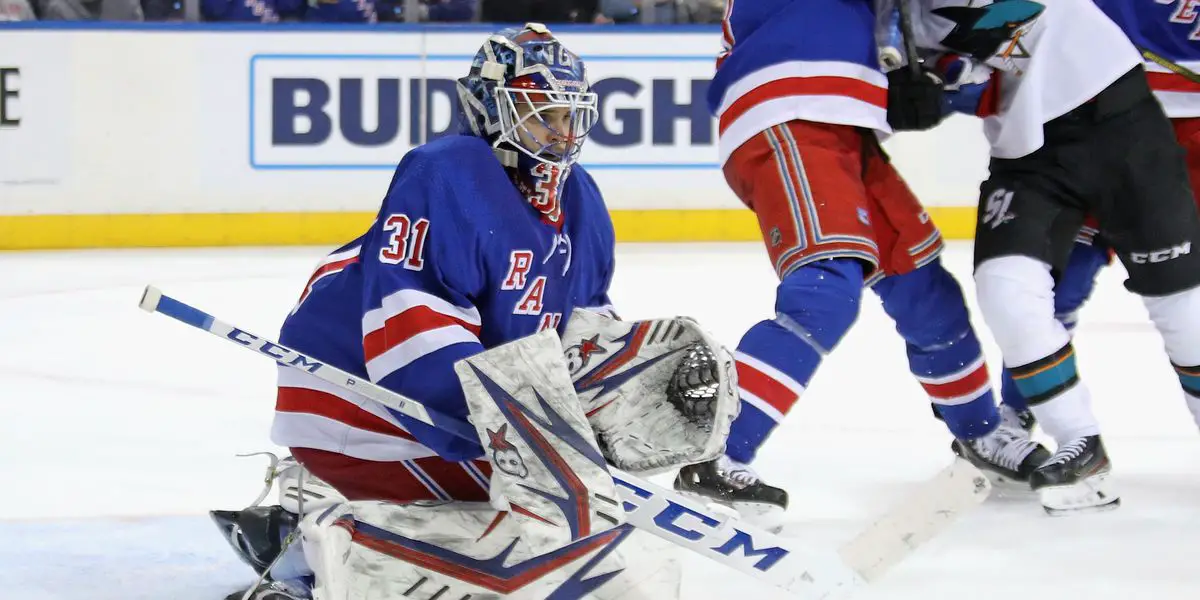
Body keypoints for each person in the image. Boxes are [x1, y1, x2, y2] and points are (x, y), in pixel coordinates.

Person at [207, 24, 724, 599]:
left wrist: (606, 418)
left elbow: (580, 340)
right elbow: (413, 334)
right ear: (489, 108)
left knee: (577, 519)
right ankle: (312, 541)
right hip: (361, 405)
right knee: (561, 534)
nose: (560, 133)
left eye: (569, 116)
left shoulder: (581, 200)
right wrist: (531, 443)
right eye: (541, 114)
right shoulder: (449, 171)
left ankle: (328, 519)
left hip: (470, 410)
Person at [672, 0, 1050, 524]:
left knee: (924, 289)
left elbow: (929, 36)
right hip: (789, 97)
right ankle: (713, 457)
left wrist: (940, 79)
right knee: (824, 294)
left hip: (845, 121)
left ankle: (981, 432)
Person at [896, 0, 1200, 514]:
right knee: (1014, 288)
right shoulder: (895, 16)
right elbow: (953, 70)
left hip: (1131, 130)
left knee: (1182, 307)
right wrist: (923, 91)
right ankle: (1074, 441)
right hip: (1036, 150)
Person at [994, 0, 1200, 437]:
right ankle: (1017, 412)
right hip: (1096, 114)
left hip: (1188, 130)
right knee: (1056, 279)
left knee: (1186, 299)